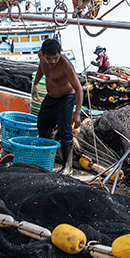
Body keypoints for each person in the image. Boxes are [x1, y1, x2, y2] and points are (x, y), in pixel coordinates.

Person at [33, 39, 83, 175]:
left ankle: (68, 167)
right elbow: (41, 69)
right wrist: (35, 85)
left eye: (56, 57)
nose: (53, 61)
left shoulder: (65, 64)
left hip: (66, 97)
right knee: (42, 124)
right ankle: (47, 159)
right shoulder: (42, 58)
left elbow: (79, 89)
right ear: (42, 54)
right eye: (49, 58)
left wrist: (77, 113)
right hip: (51, 97)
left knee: (64, 130)